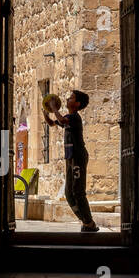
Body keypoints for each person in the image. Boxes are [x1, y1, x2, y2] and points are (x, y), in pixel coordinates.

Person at [45, 89, 98, 232]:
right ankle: (85, 220)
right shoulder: (68, 117)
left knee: (78, 190)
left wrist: (54, 107)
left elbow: (62, 120)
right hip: (70, 158)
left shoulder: (74, 118)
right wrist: (46, 111)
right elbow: (52, 123)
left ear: (77, 104)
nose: (68, 99)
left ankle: (89, 223)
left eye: (72, 98)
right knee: (69, 193)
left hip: (78, 157)